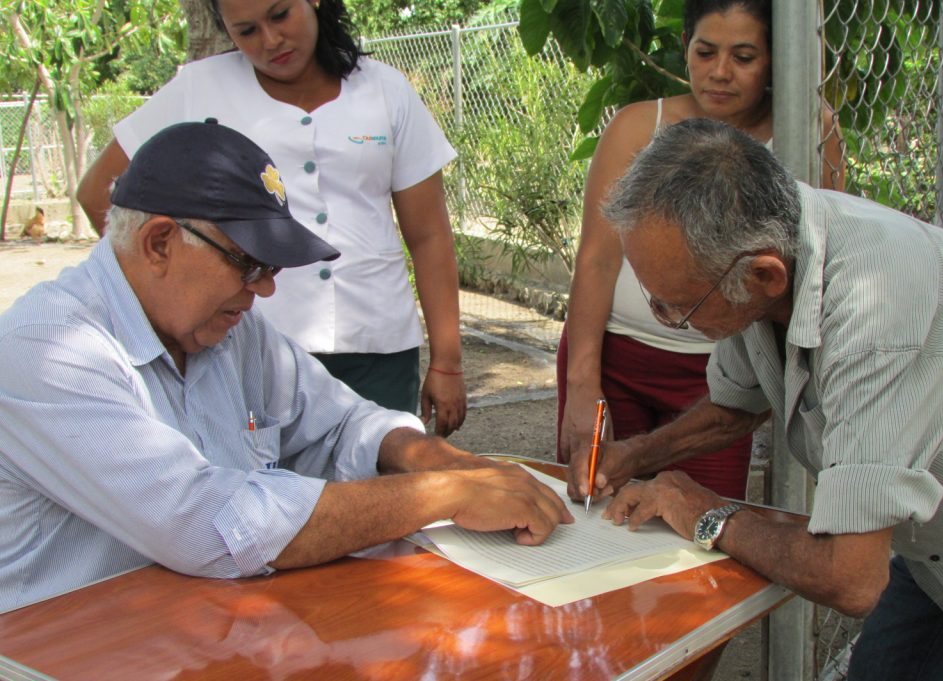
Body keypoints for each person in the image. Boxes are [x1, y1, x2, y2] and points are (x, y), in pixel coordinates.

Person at [0, 121, 571, 614]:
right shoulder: (49, 350)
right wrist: (442, 495)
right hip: (66, 650)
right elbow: (210, 525)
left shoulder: (229, 333)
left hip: (206, 633)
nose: (266, 289)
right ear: (159, 244)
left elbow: (340, 420)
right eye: (248, 264)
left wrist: (433, 456)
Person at [580, 118, 943, 680]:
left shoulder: (877, 312)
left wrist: (700, 510)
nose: (669, 320)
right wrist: (635, 456)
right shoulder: (765, 236)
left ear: (765, 275)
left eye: (678, 308)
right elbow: (735, 407)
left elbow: (851, 576)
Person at [77, 0, 466, 436]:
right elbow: (99, 192)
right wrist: (175, 292)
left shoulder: (385, 91)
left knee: (385, 481)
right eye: (246, 31)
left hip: (379, 348)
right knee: (262, 488)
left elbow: (429, 235)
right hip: (251, 348)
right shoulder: (200, 89)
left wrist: (447, 363)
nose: (270, 41)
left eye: (281, 16)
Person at [557, 0, 845, 501]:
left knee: (697, 530)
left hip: (720, 380)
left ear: (775, 60)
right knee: (596, 508)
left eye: (744, 57)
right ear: (685, 48)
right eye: (705, 51)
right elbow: (597, 259)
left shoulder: (807, 135)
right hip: (616, 358)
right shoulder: (637, 126)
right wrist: (583, 383)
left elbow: (820, 261)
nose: (720, 73)